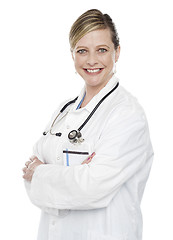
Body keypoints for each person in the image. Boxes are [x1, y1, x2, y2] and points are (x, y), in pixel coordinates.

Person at [22, 9, 153, 240]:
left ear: (117, 52)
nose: (92, 60)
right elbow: (30, 178)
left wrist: (42, 173)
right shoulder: (63, 111)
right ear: (72, 54)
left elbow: (93, 188)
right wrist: (73, 174)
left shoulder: (127, 115)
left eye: (102, 50)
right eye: (82, 51)